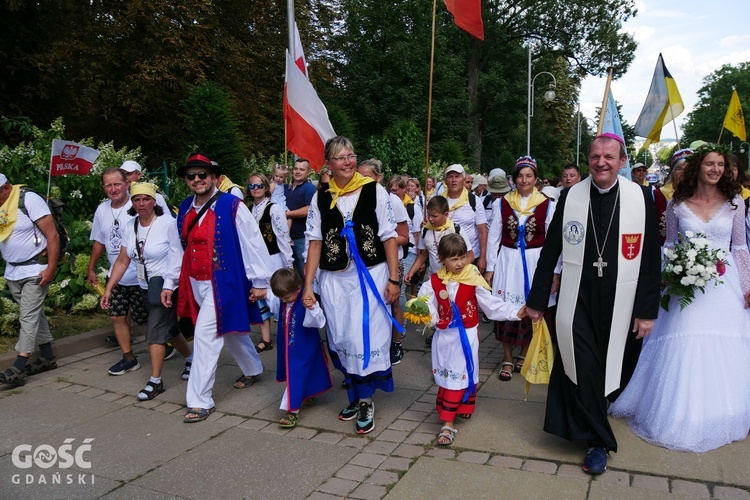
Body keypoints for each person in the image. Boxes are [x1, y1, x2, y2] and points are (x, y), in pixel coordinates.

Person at [524, 133, 661, 475]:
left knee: (611, 370)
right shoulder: (571, 196)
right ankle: (599, 442)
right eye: (595, 156)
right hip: (578, 298)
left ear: (622, 161)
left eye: (609, 157)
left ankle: (590, 425)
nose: (601, 162)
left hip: (623, 300)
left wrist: (647, 311)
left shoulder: (640, 196)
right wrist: (537, 300)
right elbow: (550, 251)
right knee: (582, 365)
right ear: (589, 159)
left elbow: (649, 259)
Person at [609, 144, 750, 452]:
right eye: (710, 164)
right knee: (685, 340)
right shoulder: (677, 204)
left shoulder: (736, 203)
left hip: (724, 285)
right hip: (684, 285)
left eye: (721, 165)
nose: (715, 169)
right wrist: (667, 279)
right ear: (699, 166)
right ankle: (680, 413)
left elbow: (739, 248)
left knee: (722, 345)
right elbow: (670, 245)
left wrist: (747, 286)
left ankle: (720, 411)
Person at [303, 136, 401, 435]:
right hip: (334, 278)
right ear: (329, 164)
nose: (347, 162)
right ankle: (356, 394)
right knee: (342, 336)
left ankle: (366, 399)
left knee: (365, 337)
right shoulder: (320, 197)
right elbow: (315, 242)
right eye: (340, 157)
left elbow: (389, 236)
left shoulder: (375, 191)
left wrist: (395, 280)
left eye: (351, 156)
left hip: (372, 276)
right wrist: (308, 286)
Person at [171, 152, 272, 423]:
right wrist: (170, 283)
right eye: (191, 176)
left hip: (223, 283)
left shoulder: (232, 205)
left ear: (214, 177)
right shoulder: (183, 208)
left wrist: (260, 282)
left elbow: (253, 243)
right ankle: (252, 368)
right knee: (229, 332)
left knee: (205, 336)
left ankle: (200, 400)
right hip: (195, 281)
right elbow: (176, 247)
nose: (196, 180)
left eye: (202, 174)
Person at [417, 234, 525, 445]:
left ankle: (447, 423)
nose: (459, 263)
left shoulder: (473, 279)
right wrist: (430, 316)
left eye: (462, 258)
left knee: (462, 372)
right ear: (441, 259)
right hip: (445, 337)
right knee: (450, 374)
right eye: (453, 259)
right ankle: (461, 407)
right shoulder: (434, 281)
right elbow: (426, 304)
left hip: (466, 335)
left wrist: (515, 312)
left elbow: (491, 304)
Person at [100, 183, 192, 400]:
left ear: (154, 201)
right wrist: (109, 289)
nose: (141, 203)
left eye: (146, 199)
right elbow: (123, 260)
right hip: (144, 286)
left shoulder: (168, 223)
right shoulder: (130, 225)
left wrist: (170, 283)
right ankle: (191, 358)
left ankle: (155, 381)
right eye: (137, 199)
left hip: (165, 286)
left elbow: (179, 256)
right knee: (169, 328)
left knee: (155, 331)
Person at [485, 156, 556, 381]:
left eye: (529, 175)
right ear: (514, 179)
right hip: (508, 260)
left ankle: (524, 354)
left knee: (531, 306)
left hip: (535, 261)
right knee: (506, 307)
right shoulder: (502, 203)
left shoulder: (547, 204)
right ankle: (507, 356)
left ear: (536, 179)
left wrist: (555, 272)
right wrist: (490, 268)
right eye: (520, 176)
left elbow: (554, 241)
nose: (524, 180)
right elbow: (494, 237)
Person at [88, 167, 150, 375]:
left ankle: (171, 347)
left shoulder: (138, 206)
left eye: (117, 184)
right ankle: (129, 357)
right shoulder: (102, 210)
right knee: (117, 316)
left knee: (149, 319)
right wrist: (91, 267)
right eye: (108, 185)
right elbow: (99, 241)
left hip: (141, 276)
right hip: (117, 276)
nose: (113, 189)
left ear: (127, 184)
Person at [0, 174, 59, 387]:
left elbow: (52, 236)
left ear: (6, 187)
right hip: (13, 271)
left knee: (27, 315)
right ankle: (47, 356)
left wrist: (51, 268)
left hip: (36, 269)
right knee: (35, 313)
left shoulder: (28, 199)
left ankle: (18, 365)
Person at [267, 268, 332, 428]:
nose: (284, 301)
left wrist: (312, 308)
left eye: (287, 297)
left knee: (297, 375)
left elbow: (319, 322)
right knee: (300, 373)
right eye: (280, 298)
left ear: (298, 288)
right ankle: (308, 394)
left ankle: (292, 410)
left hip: (304, 347)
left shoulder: (306, 300)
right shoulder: (284, 300)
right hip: (289, 347)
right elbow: (274, 305)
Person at [246, 172, 293, 352]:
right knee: (259, 300)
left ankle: (288, 334)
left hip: (273, 260)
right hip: (256, 261)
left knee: (278, 297)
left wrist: (288, 264)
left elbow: (282, 237)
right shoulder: (249, 210)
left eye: (259, 185)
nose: (255, 189)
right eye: (252, 186)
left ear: (266, 187)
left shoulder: (274, 209)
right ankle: (266, 339)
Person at [442, 164, 488, 274]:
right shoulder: (439, 200)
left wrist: (482, 258)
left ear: (463, 179)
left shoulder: (474, 201)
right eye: (450, 176)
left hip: (469, 258)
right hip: (445, 258)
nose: (453, 180)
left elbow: (482, 231)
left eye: (457, 176)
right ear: (445, 180)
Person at [285, 158, 317, 278]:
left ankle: (308, 294)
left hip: (301, 237)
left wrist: (288, 214)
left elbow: (309, 209)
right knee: (287, 273)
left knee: (304, 272)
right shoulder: (284, 187)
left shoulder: (309, 189)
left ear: (308, 172)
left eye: (302, 169)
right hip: (284, 237)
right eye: (296, 168)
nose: (298, 172)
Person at [653, 148, 691, 245]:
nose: (684, 173)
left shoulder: (702, 196)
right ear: (672, 172)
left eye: (688, 169)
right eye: (679, 168)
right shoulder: (657, 194)